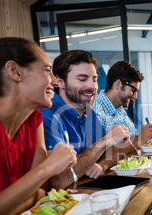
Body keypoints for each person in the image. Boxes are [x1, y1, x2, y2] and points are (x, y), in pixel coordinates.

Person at [0, 37, 77, 215]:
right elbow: (36, 191)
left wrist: (3, 209)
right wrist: (47, 168)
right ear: (15, 72)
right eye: (47, 70)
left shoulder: (34, 119)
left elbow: (41, 190)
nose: (54, 81)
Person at [40, 50, 130, 188]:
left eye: (94, 79)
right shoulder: (48, 116)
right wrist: (105, 141)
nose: (92, 86)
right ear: (60, 82)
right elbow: (59, 181)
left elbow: (113, 151)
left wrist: (102, 164)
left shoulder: (89, 114)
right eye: (82, 79)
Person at [92, 61, 152, 152]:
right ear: (118, 84)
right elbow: (103, 154)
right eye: (133, 90)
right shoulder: (95, 110)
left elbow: (133, 137)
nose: (135, 97)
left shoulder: (120, 109)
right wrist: (139, 140)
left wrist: (145, 135)